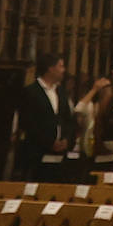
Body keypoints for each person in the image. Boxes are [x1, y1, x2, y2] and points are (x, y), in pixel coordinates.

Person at [15, 52, 76, 181]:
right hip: (37, 152)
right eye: (61, 66)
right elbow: (28, 122)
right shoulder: (31, 92)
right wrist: (48, 142)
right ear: (50, 68)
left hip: (59, 154)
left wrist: (66, 140)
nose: (63, 70)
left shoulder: (60, 92)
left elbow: (68, 119)